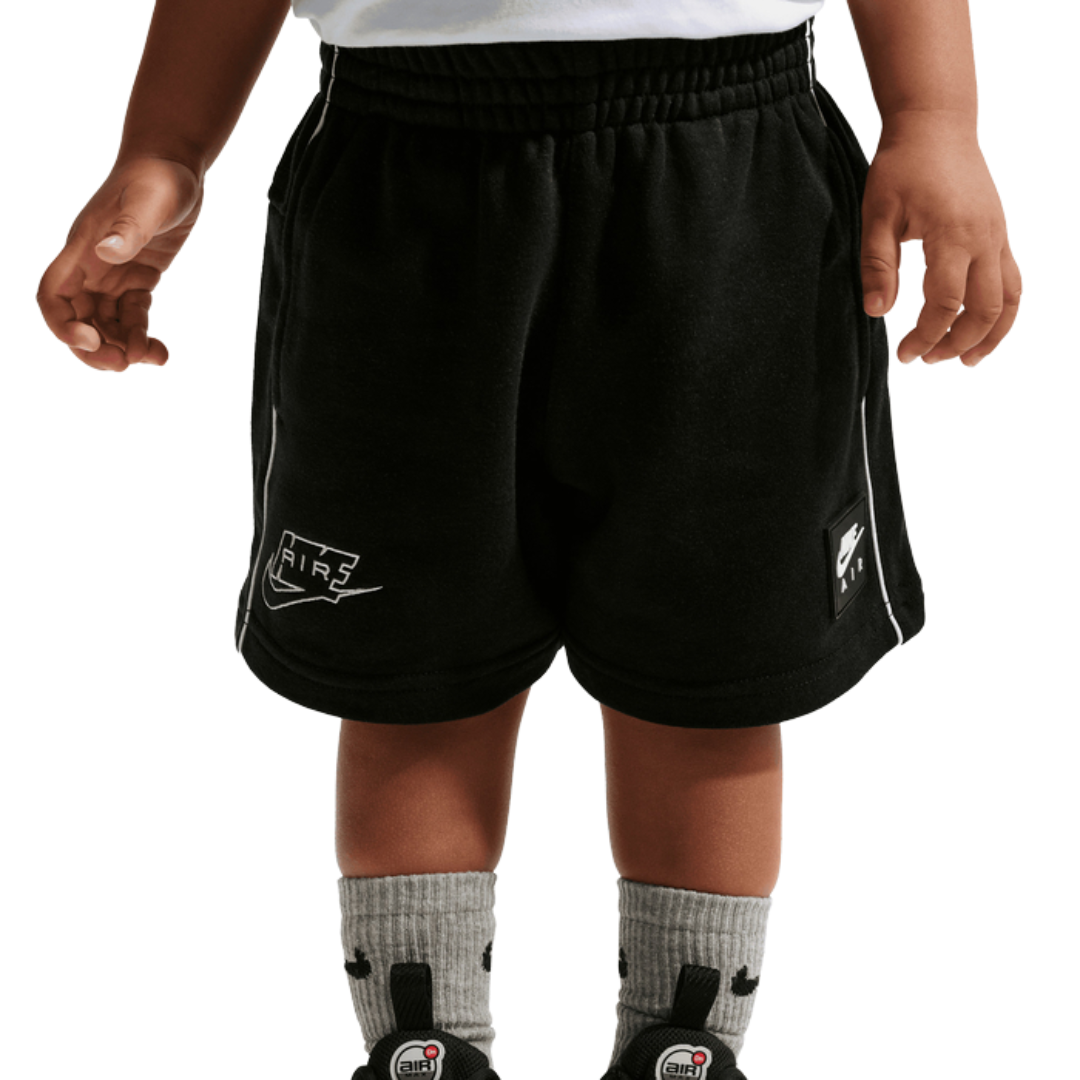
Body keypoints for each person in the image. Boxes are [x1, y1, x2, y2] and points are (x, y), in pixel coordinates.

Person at [36, 1, 1021, 1078]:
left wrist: (934, 114)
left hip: (731, 171)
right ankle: (425, 1046)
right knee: (413, 664)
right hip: (403, 178)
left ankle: (684, 1047)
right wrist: (164, 145)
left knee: (711, 664)